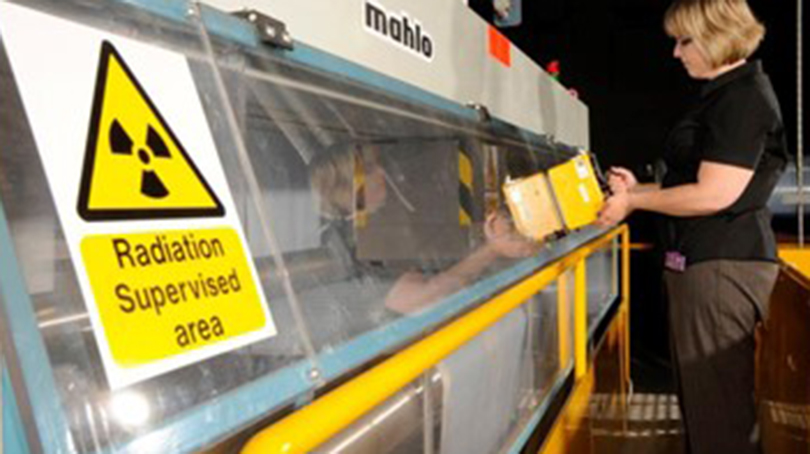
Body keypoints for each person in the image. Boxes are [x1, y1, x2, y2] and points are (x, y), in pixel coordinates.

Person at [596, 0, 789, 452]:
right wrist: (638, 190)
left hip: (720, 269)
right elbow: (699, 183)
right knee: (707, 410)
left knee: (718, 420)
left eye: (685, 41)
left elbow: (713, 194)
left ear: (717, 36)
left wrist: (633, 202)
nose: (676, 53)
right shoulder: (726, 95)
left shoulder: (742, 99)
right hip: (707, 267)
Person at [309, 142, 539, 315]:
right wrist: (492, 249)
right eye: (369, 169)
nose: (382, 172)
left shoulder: (382, 221)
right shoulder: (352, 246)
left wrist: (492, 232)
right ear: (344, 187)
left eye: (378, 164)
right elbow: (421, 300)